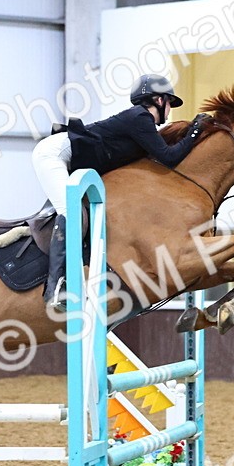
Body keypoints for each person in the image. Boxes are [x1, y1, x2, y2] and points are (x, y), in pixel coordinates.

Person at [31, 73, 210, 309]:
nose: (170, 110)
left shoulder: (140, 124)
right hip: (53, 154)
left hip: (68, 156)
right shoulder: (140, 118)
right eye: (169, 102)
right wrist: (194, 132)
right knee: (70, 211)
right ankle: (56, 287)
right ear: (158, 100)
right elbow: (169, 157)